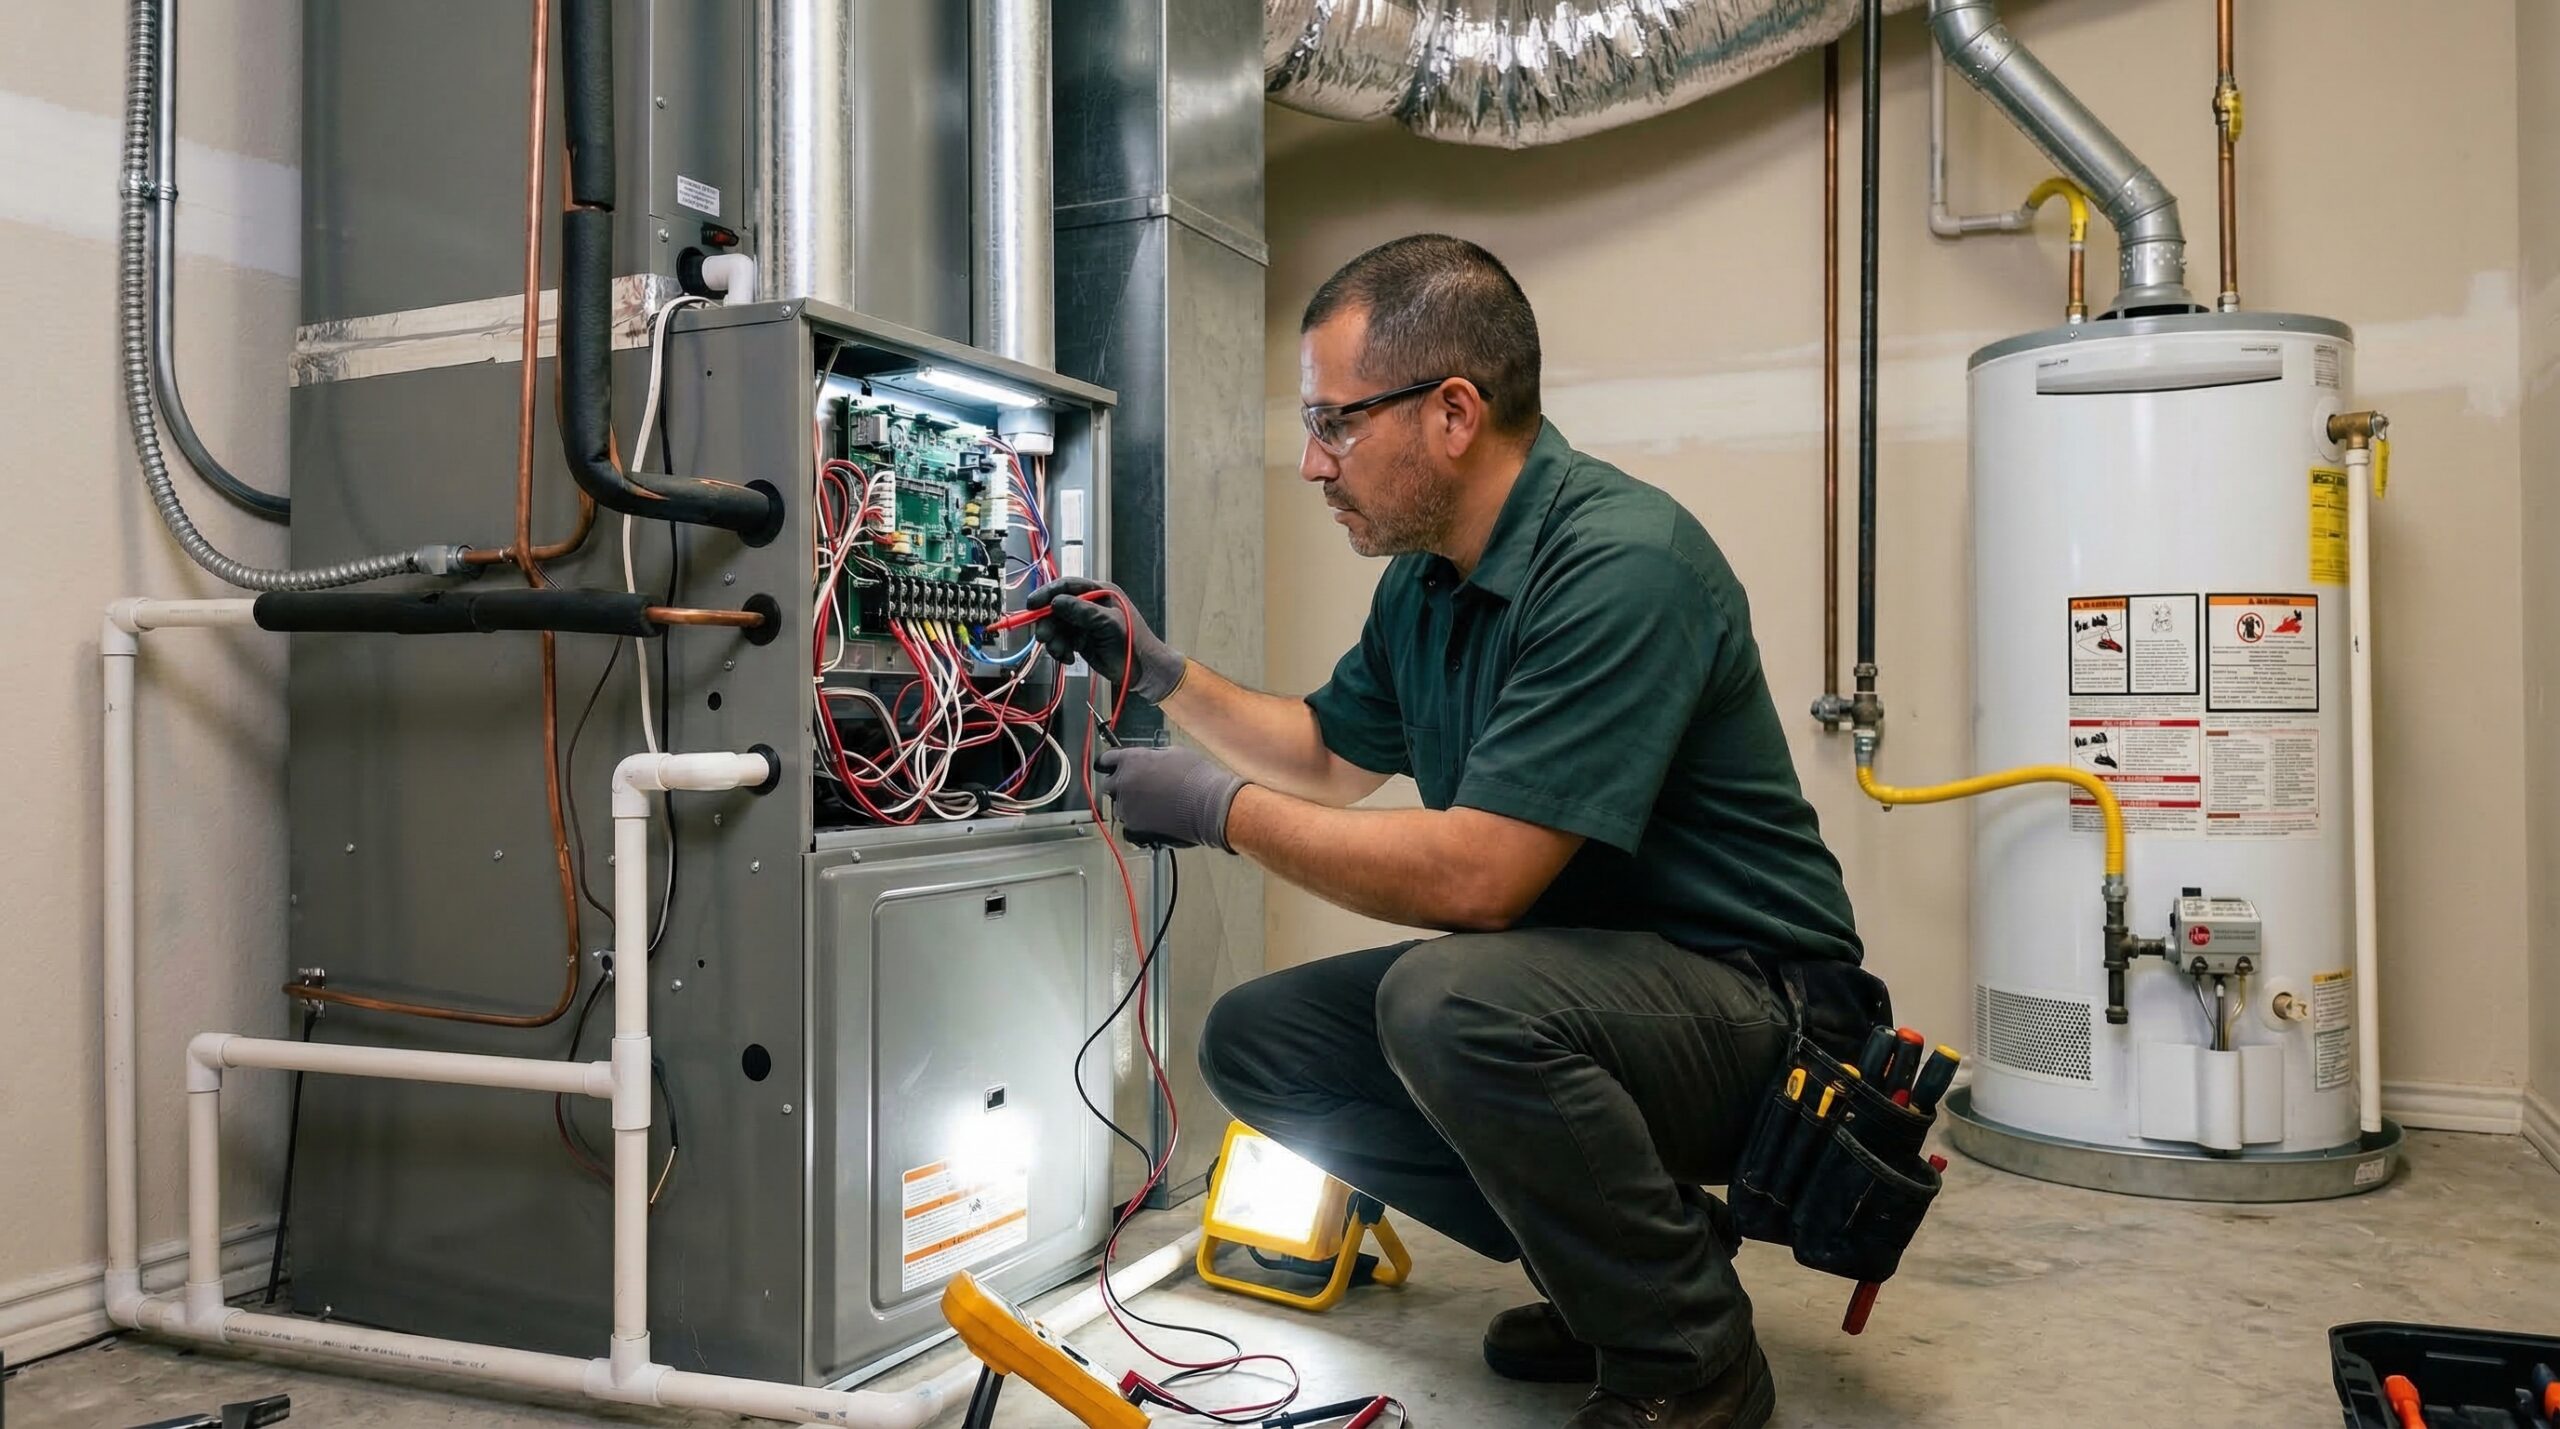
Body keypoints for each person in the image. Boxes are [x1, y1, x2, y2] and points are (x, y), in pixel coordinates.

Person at [1028, 234, 1866, 1429]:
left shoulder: (1622, 564)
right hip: (1585, 990)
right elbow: (1326, 753)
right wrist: (1161, 675)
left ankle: (1689, 1358)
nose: (1314, 463)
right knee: (1261, 1041)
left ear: (1453, 412)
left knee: (1449, 999)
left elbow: (1478, 879)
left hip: (1762, 1011)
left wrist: (1217, 812)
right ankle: (1626, 1272)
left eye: (1335, 423)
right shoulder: (1425, 584)